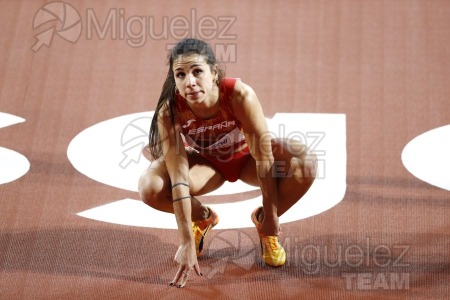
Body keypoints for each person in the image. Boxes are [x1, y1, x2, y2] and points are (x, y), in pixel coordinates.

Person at [138, 38, 317, 288]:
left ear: (214, 73)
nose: (189, 82)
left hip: (248, 161)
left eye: (197, 72)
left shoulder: (238, 94)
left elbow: (264, 159)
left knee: (304, 162)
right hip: (206, 167)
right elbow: (178, 178)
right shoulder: (170, 111)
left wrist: (272, 217)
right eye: (180, 74)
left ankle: (263, 223)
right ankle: (202, 218)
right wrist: (186, 239)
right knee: (150, 187)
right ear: (175, 80)